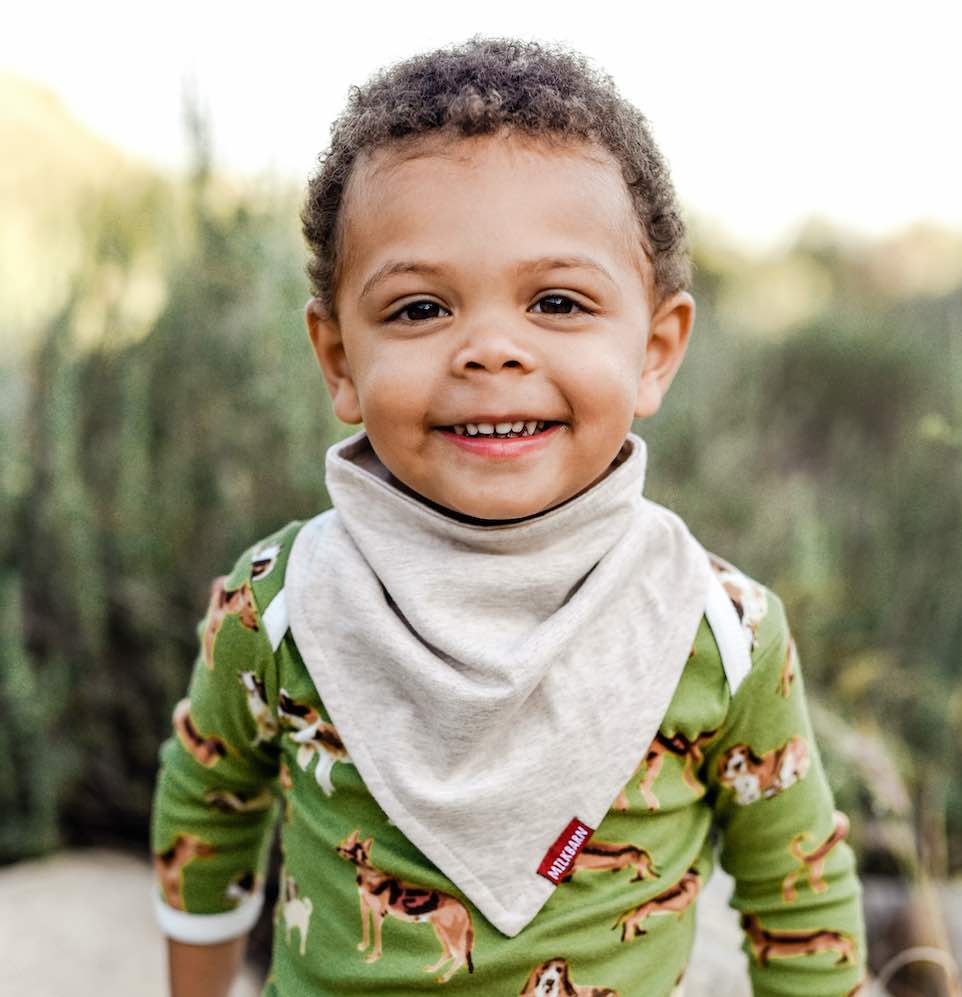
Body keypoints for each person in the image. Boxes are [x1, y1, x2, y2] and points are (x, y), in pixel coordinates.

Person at [150, 35, 867, 996]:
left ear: (655, 351)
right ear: (338, 360)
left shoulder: (718, 633)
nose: (491, 348)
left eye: (559, 301)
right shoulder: (280, 609)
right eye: (417, 310)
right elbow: (207, 807)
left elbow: (801, 897)